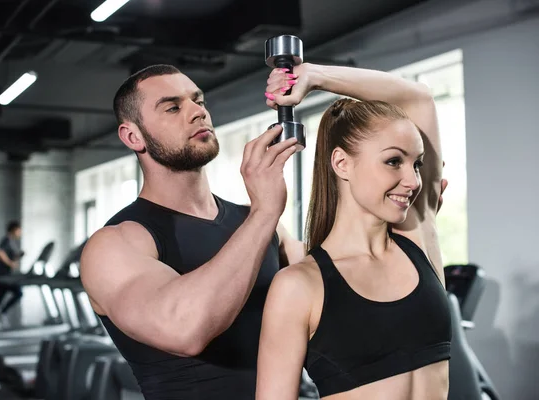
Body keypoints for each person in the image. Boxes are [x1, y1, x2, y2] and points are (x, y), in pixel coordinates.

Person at [79, 64, 448, 399]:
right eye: (173, 107)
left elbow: (341, 287)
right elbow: (185, 330)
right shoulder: (115, 244)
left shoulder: (263, 227)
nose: (197, 111)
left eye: (198, 100)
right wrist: (265, 211)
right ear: (132, 136)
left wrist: (315, 78)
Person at [255, 64, 452, 400]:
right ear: (342, 163)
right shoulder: (300, 286)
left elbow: (419, 98)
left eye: (416, 163)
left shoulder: (417, 237)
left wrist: (314, 76)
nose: (413, 180)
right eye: (394, 161)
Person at [0, 220, 24, 330]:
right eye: (19, 230)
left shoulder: (12, 242)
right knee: (17, 293)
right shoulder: (6, 240)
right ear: (14, 230)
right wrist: (10, 263)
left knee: (0, 299)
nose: (20, 233)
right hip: (2, 276)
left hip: (6, 275)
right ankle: (1, 313)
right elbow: (0, 253)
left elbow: (10, 257)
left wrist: (18, 257)